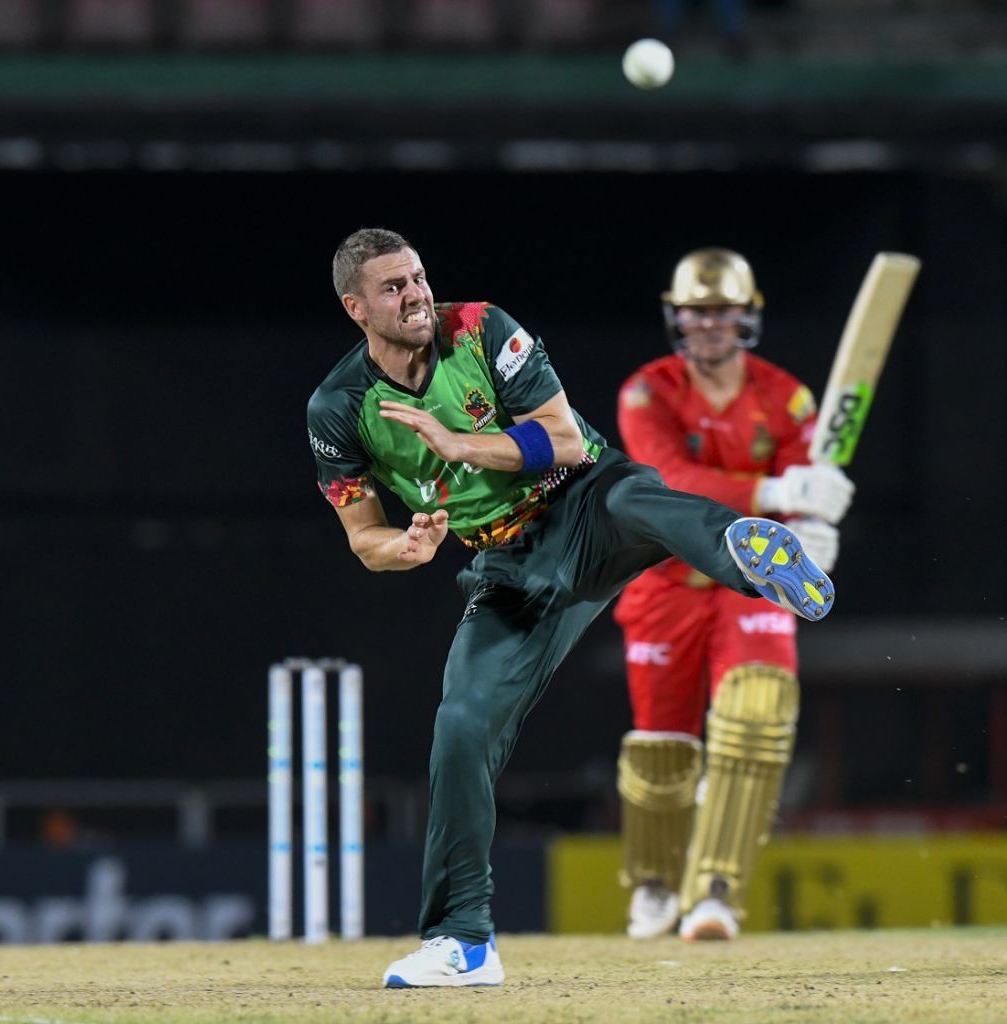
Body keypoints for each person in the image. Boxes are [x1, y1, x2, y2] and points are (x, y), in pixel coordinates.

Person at [306, 228, 838, 988]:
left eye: (419, 277)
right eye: (393, 288)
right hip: (506, 566)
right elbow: (364, 536)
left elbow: (560, 440)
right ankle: (464, 943)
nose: (417, 294)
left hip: (581, 502)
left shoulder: (483, 328)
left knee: (641, 498)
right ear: (357, 307)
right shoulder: (338, 407)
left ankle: (750, 557)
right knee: (460, 727)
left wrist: (462, 445)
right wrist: (407, 548)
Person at [611, 248, 854, 941]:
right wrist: (777, 493)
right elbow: (667, 479)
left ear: (747, 316)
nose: (709, 325)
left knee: (756, 719)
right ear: (676, 317)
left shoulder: (788, 398)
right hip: (668, 580)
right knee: (662, 746)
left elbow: (806, 488)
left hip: (754, 583)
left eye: (722, 312)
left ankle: (717, 889)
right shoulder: (647, 392)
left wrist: (812, 532)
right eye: (697, 312)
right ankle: (655, 883)